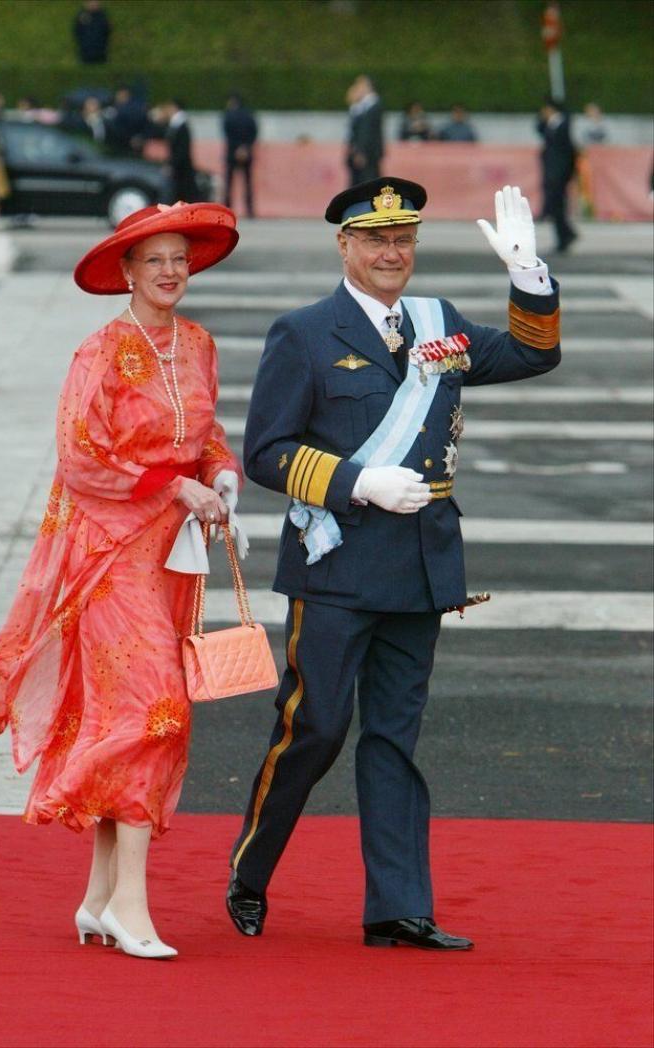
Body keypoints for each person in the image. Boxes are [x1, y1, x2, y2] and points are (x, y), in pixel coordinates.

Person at [226, 178, 561, 951]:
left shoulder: (437, 323)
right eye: (375, 240)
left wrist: (527, 277)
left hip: (418, 566)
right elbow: (266, 453)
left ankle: (397, 907)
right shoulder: (305, 333)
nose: (391, 253)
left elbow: (531, 355)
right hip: (337, 567)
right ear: (344, 246)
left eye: (403, 239)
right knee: (315, 727)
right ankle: (250, 869)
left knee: (393, 739)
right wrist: (356, 481)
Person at [0, 202, 243, 959]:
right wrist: (174, 486)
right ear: (126, 273)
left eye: (180, 257)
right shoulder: (100, 353)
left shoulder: (201, 344)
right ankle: (131, 908)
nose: (171, 271)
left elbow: (206, 432)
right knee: (154, 709)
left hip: (171, 557)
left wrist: (220, 475)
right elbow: (81, 457)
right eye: (155, 261)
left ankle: (101, 897)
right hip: (109, 555)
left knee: (133, 717)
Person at [537, 98, 578, 252]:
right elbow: (539, 129)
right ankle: (566, 234)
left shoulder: (564, 123)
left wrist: (566, 174)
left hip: (559, 174)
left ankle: (565, 236)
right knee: (556, 206)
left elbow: (569, 151)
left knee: (558, 206)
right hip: (551, 172)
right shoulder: (550, 123)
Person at [223, 93, 258, 218]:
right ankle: (249, 210)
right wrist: (245, 147)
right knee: (247, 183)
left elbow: (227, 134)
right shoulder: (249, 115)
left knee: (229, 183)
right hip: (246, 153)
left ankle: (226, 208)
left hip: (232, 153)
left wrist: (237, 148)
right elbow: (254, 133)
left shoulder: (228, 115)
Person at [345, 75, 384, 186]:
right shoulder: (362, 105)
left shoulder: (372, 104)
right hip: (361, 150)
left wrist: (361, 151)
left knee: (368, 182)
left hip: (369, 152)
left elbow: (366, 131)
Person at [161, 99, 200, 203]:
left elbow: (181, 149)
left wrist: (172, 164)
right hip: (182, 166)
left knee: (184, 194)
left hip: (182, 168)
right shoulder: (178, 123)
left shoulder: (180, 124)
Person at [73, 0, 111, 64]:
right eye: (90, 2)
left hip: (100, 52)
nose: (93, 4)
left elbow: (106, 31)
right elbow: (77, 31)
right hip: (85, 52)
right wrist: (83, 44)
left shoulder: (102, 16)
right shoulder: (81, 16)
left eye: (95, 2)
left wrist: (103, 44)